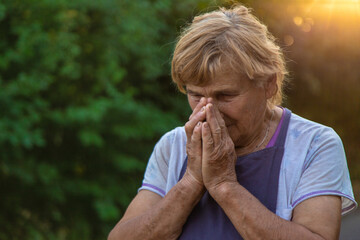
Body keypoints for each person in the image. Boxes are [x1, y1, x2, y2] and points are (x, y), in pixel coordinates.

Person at [108, 5, 357, 240]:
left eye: (225, 95)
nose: (207, 111)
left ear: (269, 83)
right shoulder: (172, 146)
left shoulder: (314, 145)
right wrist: (191, 182)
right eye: (195, 94)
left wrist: (224, 185)